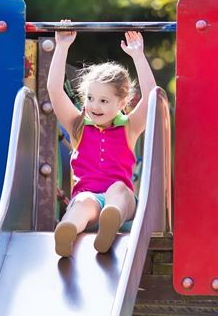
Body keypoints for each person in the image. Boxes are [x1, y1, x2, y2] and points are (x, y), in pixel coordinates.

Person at [47, 20, 156, 257]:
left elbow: (151, 97)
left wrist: (138, 56)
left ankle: (111, 220)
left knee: (119, 190)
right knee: (83, 201)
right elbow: (55, 90)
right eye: (90, 98)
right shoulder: (78, 126)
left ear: (122, 103)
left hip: (120, 201)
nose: (94, 106)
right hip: (90, 198)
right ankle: (68, 230)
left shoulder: (129, 128)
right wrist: (62, 46)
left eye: (104, 101)